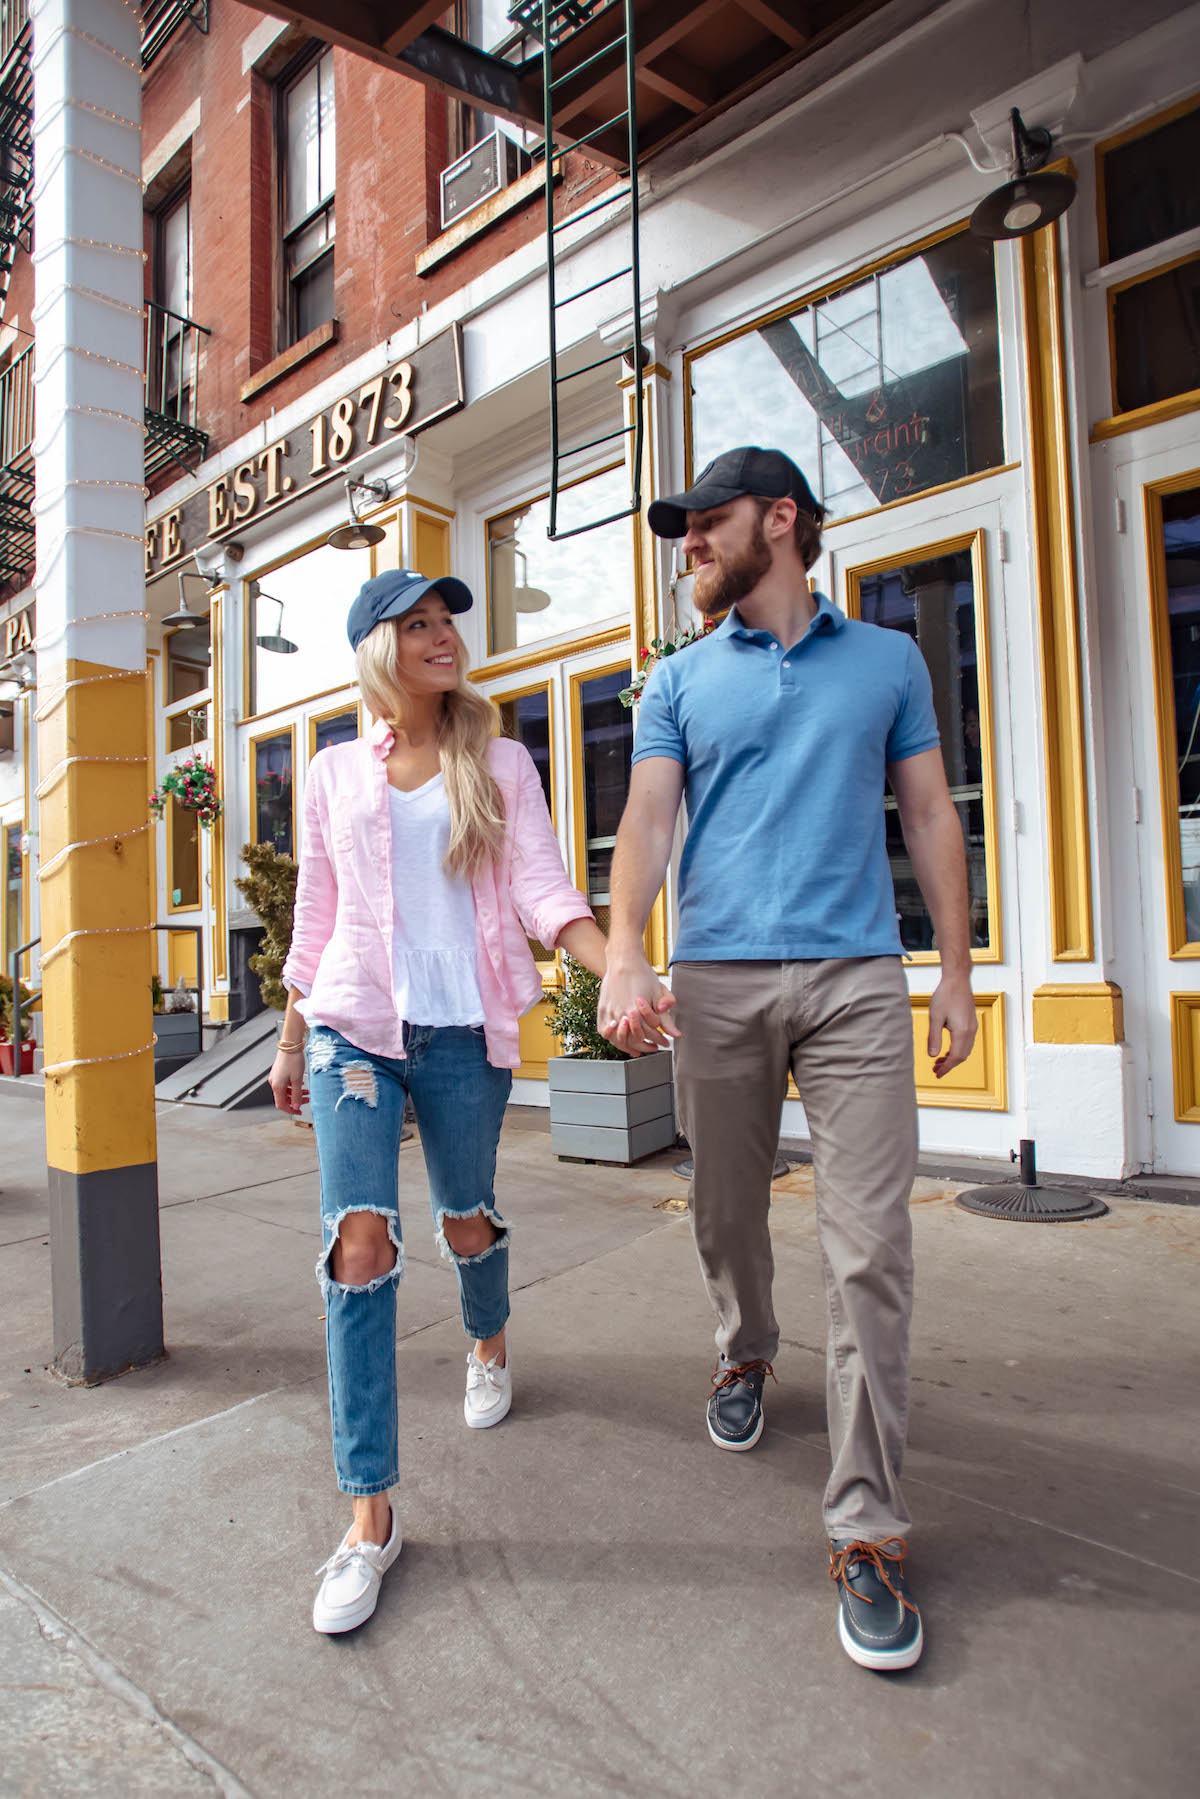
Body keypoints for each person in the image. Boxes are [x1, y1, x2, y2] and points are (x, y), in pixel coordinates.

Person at [596, 447, 977, 1672]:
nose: (689, 546)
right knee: (726, 1210)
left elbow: (927, 810)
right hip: (719, 979)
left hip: (859, 979)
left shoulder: (888, 661)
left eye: (706, 524)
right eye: (684, 530)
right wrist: (623, 953)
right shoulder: (678, 679)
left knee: (871, 1249)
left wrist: (958, 970)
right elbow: (649, 816)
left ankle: (866, 1527)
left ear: (782, 521)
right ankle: (747, 1343)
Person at [270, 568, 607, 1636]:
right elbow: (316, 912)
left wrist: (615, 967)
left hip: (465, 1029)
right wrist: (292, 1031)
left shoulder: (498, 759)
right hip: (353, 1028)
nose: (442, 638)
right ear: (378, 647)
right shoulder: (330, 773)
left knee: (464, 1215)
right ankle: (369, 1517)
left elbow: (545, 891)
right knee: (358, 1244)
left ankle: (489, 1337)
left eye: (446, 622)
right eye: (417, 625)